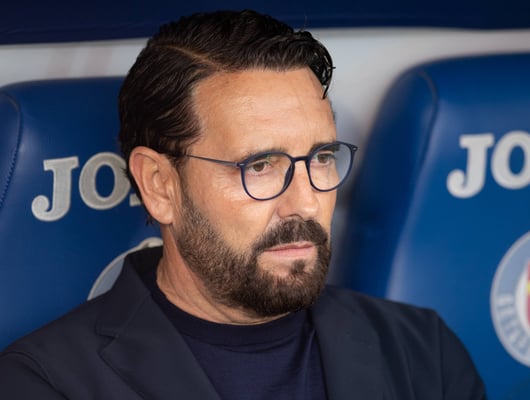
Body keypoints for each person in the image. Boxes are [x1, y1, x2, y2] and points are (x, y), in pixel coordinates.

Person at [0, 9, 486, 399]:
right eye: (260, 165)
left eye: (321, 157)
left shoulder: (422, 351)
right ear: (160, 185)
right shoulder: (46, 383)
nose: (304, 203)